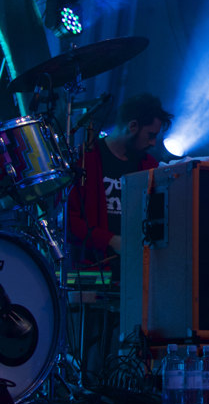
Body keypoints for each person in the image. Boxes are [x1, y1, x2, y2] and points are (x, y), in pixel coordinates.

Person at [67, 93, 173, 283]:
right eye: (151, 135)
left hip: (137, 273)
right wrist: (110, 240)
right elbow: (67, 222)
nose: (153, 143)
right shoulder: (85, 159)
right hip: (92, 272)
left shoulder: (150, 165)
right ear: (132, 126)